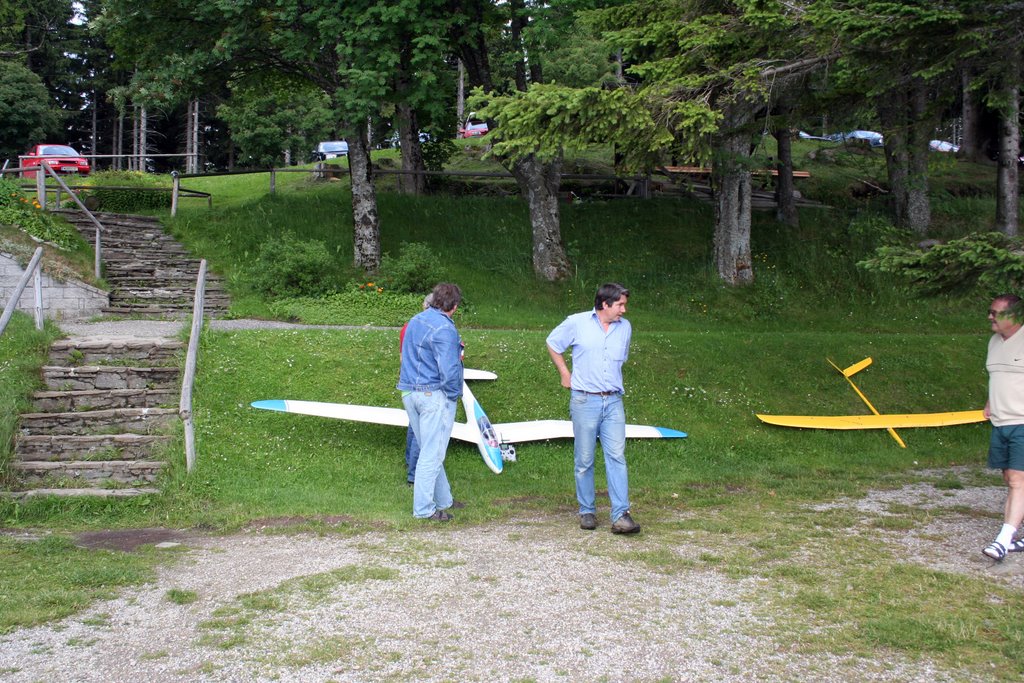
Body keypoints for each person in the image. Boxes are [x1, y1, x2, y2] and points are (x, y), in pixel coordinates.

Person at [546, 282, 640, 535]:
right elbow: (553, 343)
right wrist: (565, 373)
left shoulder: (625, 328)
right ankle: (587, 510)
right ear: (605, 304)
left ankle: (621, 514)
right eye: (620, 304)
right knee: (585, 459)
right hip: (584, 401)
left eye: (624, 304)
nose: (624, 310)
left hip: (613, 401)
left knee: (617, 457)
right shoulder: (576, 323)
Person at [397, 283, 464, 521]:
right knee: (432, 454)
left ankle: (445, 500)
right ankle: (424, 510)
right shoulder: (445, 329)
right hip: (432, 395)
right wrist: (454, 394)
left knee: (430, 447)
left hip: (409, 391)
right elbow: (448, 369)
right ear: (454, 306)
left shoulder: (415, 320)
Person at [982, 293, 1024, 560]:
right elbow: (997, 376)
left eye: (995, 312)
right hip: (1000, 422)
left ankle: (1003, 539)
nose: (990, 317)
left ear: (1014, 315)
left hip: (1023, 421)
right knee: (1009, 478)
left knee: (1018, 481)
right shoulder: (994, 342)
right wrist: (989, 401)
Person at [399, 293, 434, 485]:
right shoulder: (429, 328)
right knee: (422, 430)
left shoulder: (408, 325)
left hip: (408, 383)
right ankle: (414, 475)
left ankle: (409, 463)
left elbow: (403, 357)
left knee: (414, 426)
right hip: (421, 385)